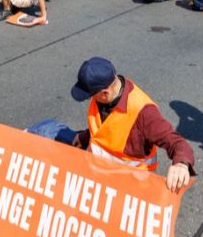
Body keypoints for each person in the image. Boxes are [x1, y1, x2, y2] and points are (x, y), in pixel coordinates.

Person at [69, 57, 194, 191]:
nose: (90, 99)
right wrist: (85, 137)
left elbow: (176, 142)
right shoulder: (104, 98)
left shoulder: (143, 112)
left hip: (133, 186)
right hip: (102, 176)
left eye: (90, 95)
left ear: (105, 93)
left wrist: (181, 164)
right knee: (48, 129)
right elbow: (109, 130)